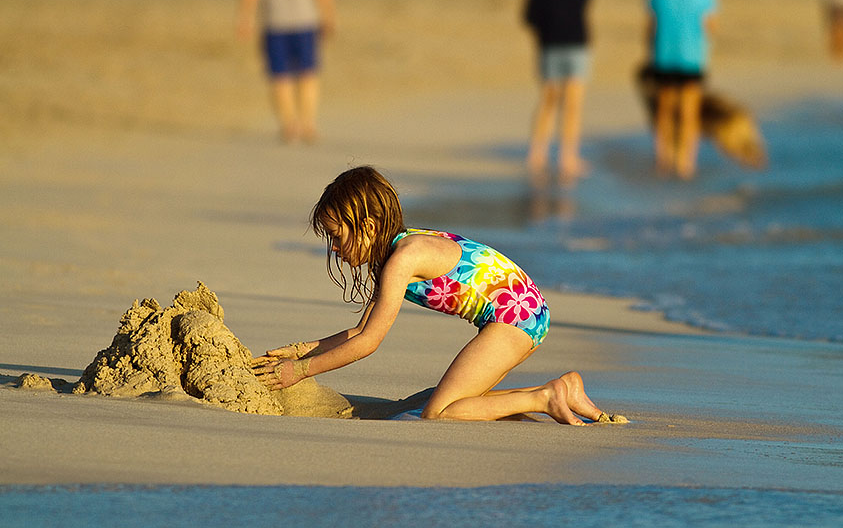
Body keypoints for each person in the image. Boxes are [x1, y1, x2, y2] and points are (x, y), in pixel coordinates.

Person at [251, 166, 605, 424]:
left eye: (337, 236)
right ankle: (566, 390)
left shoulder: (404, 258)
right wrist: (300, 351)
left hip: (516, 317)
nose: (335, 249)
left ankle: (545, 396)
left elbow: (369, 343)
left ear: (369, 227)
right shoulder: (394, 251)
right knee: (449, 400)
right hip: (522, 309)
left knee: (440, 413)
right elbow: (360, 331)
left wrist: (299, 372)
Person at [237, 0, 336, 144]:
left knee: (279, 75)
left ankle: (289, 125)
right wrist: (329, 14)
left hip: (275, 20)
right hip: (305, 18)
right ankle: (308, 123)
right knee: (308, 72)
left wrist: (245, 17)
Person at [646, 0, 718, 181]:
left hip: (664, 54)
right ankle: (686, 162)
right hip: (692, 56)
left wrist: (650, 50)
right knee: (689, 111)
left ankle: (663, 158)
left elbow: (650, 27)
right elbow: (710, 26)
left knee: (664, 108)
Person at [524, 0, 592, 184]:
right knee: (572, 103)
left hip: (550, 45)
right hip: (576, 44)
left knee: (548, 99)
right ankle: (568, 157)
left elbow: (530, 16)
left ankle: (537, 154)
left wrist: (544, 33)